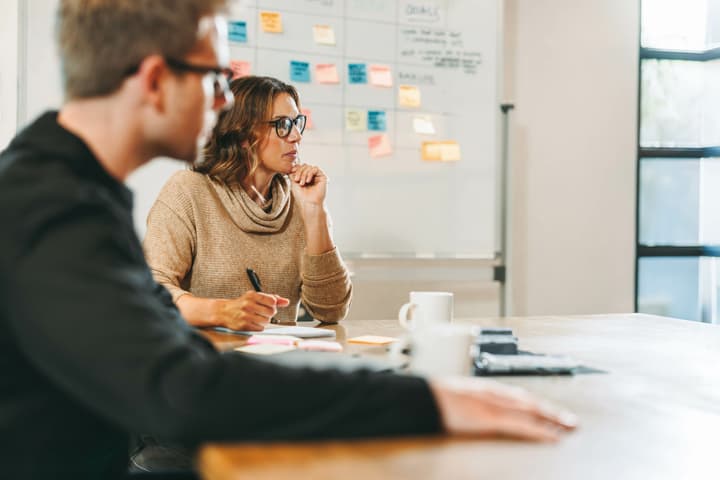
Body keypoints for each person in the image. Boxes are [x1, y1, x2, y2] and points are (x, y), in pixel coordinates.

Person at [0, 1, 576, 478]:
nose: (224, 101)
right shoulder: (51, 209)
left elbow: (176, 348)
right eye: (213, 78)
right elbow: (182, 391)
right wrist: (426, 402)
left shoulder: (73, 188)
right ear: (154, 80)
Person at [144, 75, 351, 329]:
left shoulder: (300, 198)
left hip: (275, 358)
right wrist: (222, 311)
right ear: (243, 135)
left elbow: (332, 310)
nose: (296, 136)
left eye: (297, 123)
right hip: (204, 357)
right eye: (283, 124)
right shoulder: (189, 190)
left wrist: (314, 212)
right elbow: (151, 292)